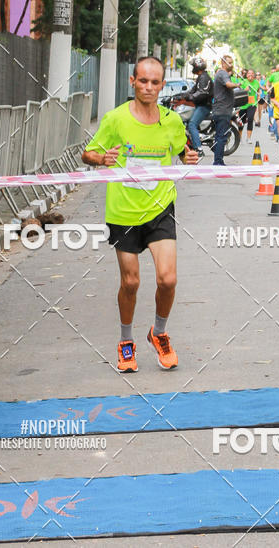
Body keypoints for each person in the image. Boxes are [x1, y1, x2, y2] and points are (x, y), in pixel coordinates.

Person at [82, 57, 198, 374]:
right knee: (130, 282)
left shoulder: (172, 121)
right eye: (143, 81)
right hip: (123, 212)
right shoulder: (116, 119)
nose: (148, 87)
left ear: (162, 85)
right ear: (132, 81)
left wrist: (189, 158)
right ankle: (126, 340)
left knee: (168, 279)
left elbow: (182, 152)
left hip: (160, 208)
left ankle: (158, 333)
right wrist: (101, 159)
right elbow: (87, 153)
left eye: (154, 82)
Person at [212, 55, 237, 165]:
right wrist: (237, 84)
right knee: (222, 137)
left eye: (232, 62)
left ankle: (218, 160)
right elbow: (228, 84)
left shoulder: (222, 73)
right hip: (223, 110)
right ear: (223, 63)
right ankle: (218, 162)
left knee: (219, 136)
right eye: (229, 63)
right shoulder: (223, 73)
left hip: (220, 109)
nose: (231, 65)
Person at [187, 56, 213, 157]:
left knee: (192, 124)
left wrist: (190, 97)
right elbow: (193, 90)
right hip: (200, 105)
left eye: (193, 66)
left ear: (197, 67)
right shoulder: (201, 77)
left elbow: (202, 93)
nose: (192, 68)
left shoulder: (204, 78)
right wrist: (181, 95)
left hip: (204, 106)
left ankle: (199, 149)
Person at [239, 70, 259, 144]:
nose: (250, 75)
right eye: (249, 73)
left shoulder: (256, 82)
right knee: (241, 122)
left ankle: (249, 138)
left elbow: (258, 90)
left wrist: (258, 97)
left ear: (254, 75)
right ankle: (240, 138)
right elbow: (239, 92)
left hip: (252, 103)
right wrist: (245, 90)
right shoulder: (243, 81)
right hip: (243, 104)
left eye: (252, 73)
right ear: (246, 75)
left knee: (250, 119)